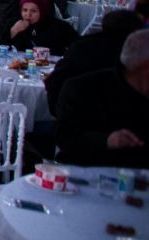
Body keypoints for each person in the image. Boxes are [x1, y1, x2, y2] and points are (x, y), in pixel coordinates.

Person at [55, 29, 149, 168]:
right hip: (86, 176)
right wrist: (107, 140)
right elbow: (65, 137)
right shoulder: (84, 89)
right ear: (145, 67)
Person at [46, 9, 142, 113]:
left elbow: (56, 79)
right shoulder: (138, 51)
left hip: (78, 110)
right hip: (124, 112)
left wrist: (58, 109)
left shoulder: (82, 46)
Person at [5, 0, 78, 56]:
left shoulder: (59, 26)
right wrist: (13, 31)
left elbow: (77, 45)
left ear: (43, 11)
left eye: (33, 11)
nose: (28, 14)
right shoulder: (16, 23)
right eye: (25, 10)